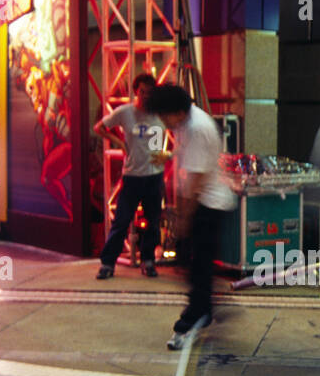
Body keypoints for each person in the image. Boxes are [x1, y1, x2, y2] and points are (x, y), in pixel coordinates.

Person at [145, 84, 235, 349]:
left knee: (197, 264)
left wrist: (183, 219)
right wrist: (170, 155)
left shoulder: (197, 128)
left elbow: (195, 181)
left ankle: (198, 312)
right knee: (196, 265)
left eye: (164, 116)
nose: (163, 122)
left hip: (209, 204)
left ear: (175, 111)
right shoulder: (188, 121)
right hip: (207, 201)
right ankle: (203, 308)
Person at [96, 74, 166, 279]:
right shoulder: (125, 113)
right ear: (136, 92)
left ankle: (148, 260)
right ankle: (108, 263)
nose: (145, 96)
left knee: (153, 221)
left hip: (154, 176)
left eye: (149, 92)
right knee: (122, 220)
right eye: (142, 91)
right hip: (133, 176)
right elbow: (99, 127)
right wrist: (117, 142)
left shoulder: (160, 114)